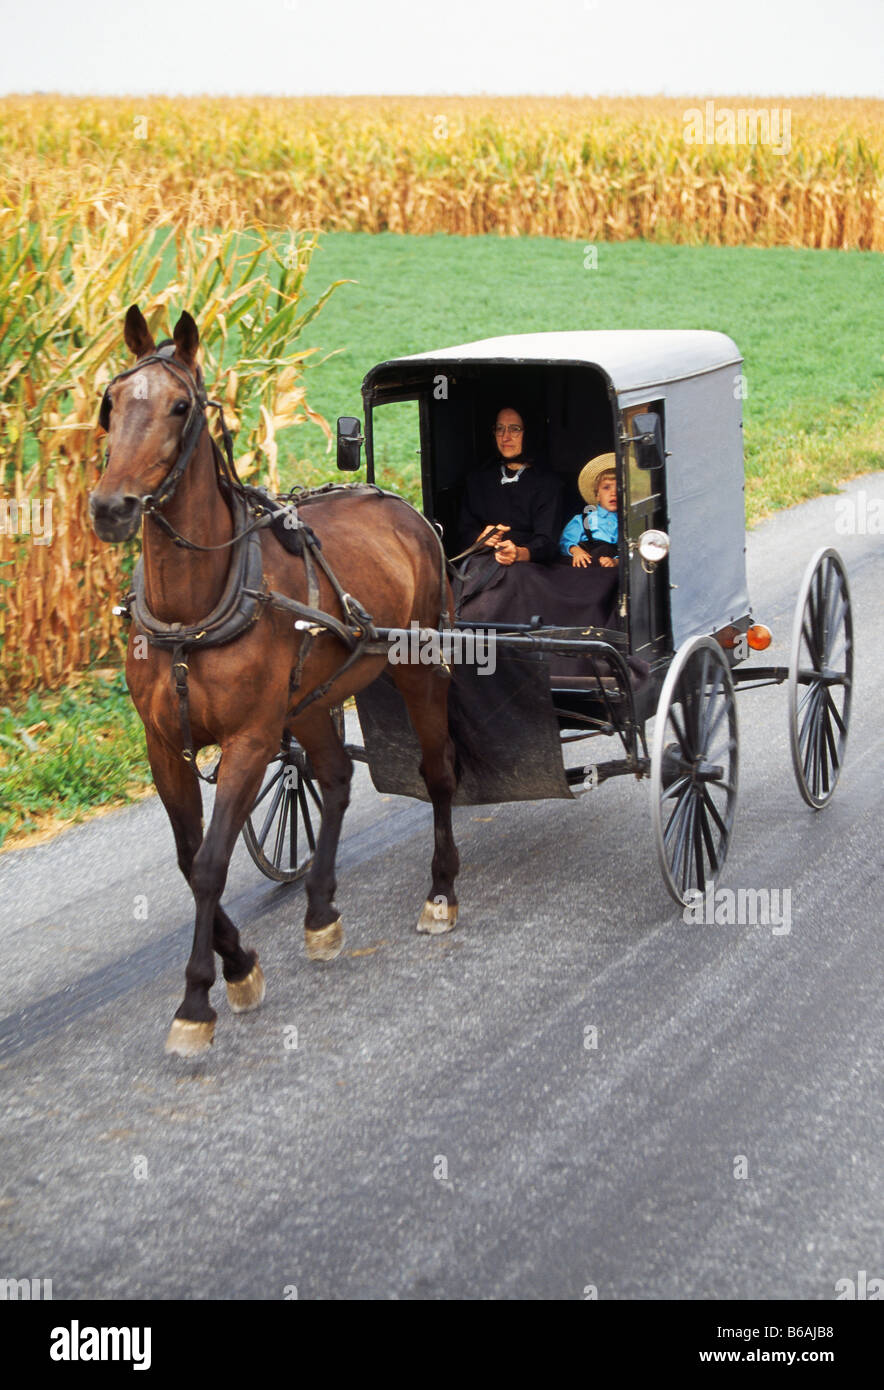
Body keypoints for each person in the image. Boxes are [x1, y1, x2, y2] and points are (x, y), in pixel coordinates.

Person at [457, 407, 561, 566]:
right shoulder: (477, 478)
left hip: (530, 567)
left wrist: (519, 553)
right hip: (482, 563)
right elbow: (464, 531)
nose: (505, 437)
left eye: (515, 429)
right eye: (500, 429)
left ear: (529, 433)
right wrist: (481, 539)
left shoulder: (547, 482)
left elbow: (548, 541)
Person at [560, 453, 619, 568]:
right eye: (606, 487)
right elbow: (565, 542)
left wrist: (616, 562)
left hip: (613, 569)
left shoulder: (628, 523)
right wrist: (576, 551)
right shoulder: (585, 519)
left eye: (619, 488)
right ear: (597, 495)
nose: (613, 493)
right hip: (587, 566)